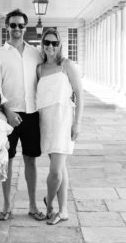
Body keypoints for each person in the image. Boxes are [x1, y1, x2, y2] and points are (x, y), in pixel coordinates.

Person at [0, 8, 46, 221]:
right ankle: (6, 206)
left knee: (31, 161)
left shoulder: (35, 53)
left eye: (21, 25)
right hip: (7, 116)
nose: (17, 29)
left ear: (25, 27)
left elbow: (45, 79)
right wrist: (8, 111)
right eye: (13, 25)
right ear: (7, 27)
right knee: (7, 161)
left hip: (32, 114)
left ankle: (32, 205)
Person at [36, 28, 83, 225]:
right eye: (47, 42)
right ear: (42, 44)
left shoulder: (67, 65)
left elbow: (80, 95)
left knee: (55, 171)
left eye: (55, 43)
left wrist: (77, 123)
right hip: (45, 122)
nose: (50, 46)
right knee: (61, 168)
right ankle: (63, 211)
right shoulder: (39, 69)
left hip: (63, 122)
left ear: (60, 44)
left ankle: (49, 206)